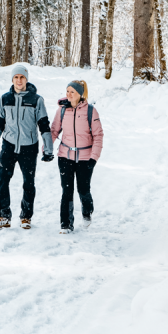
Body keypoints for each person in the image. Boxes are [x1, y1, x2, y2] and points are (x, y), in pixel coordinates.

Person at [0, 65, 54, 229]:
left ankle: (26, 217)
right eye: (16, 77)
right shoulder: (5, 99)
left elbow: (44, 126)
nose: (19, 80)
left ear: (26, 79)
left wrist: (48, 149)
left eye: (22, 77)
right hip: (8, 146)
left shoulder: (36, 100)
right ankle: (4, 216)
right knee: (3, 180)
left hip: (29, 147)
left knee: (28, 183)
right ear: (12, 79)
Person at [50, 80, 104, 234]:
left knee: (83, 189)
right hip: (65, 156)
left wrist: (94, 158)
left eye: (72, 91)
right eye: (67, 91)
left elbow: (98, 136)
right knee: (66, 191)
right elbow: (54, 131)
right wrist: (47, 149)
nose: (68, 94)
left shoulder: (91, 111)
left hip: (85, 158)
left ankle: (87, 212)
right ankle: (66, 224)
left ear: (80, 94)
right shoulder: (61, 110)